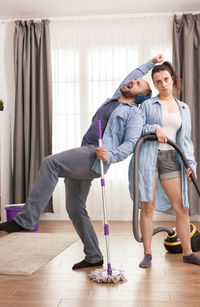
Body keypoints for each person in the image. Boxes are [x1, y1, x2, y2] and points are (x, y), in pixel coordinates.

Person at [0, 54, 163, 270]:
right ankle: (94, 255)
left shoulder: (134, 114)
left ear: (141, 98)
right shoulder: (116, 99)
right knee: (75, 208)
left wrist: (110, 156)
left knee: (51, 163)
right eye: (134, 80)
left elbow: (131, 143)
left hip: (93, 158)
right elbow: (132, 75)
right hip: (85, 154)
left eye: (138, 84)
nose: (132, 81)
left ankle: (26, 220)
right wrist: (150, 63)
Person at [129, 61, 200, 269]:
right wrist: (155, 127)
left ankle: (187, 252)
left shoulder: (183, 108)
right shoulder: (147, 105)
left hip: (173, 159)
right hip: (147, 157)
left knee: (182, 209)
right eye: (158, 81)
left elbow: (185, 140)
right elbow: (137, 129)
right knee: (148, 207)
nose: (163, 84)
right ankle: (148, 254)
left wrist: (191, 164)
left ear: (173, 79)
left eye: (166, 79)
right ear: (154, 83)